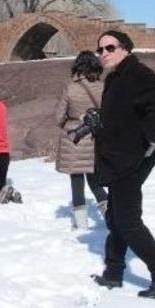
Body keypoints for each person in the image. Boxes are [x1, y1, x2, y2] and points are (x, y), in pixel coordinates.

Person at [92, 30, 155, 299]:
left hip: (131, 160)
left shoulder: (136, 74)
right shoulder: (117, 76)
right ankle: (114, 272)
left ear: (125, 48)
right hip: (118, 158)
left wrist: (151, 139)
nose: (104, 53)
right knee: (116, 218)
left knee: (128, 220)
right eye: (100, 50)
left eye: (110, 47)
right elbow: (124, 114)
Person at [54, 51, 108, 229]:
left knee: (76, 180)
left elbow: (58, 117)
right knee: (95, 179)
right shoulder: (104, 87)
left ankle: (81, 223)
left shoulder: (71, 88)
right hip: (98, 139)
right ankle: (109, 214)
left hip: (76, 138)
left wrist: (71, 123)